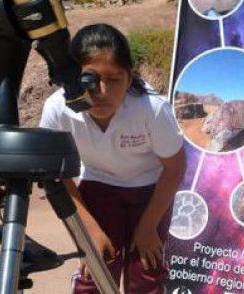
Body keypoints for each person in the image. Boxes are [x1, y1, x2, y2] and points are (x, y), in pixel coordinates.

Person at [40, 23, 186, 293]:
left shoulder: (151, 109)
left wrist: (147, 227)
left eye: (115, 80)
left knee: (147, 272)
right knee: (94, 271)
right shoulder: (58, 110)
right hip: (98, 189)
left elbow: (175, 168)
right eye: (90, 80)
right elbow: (56, 176)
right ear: (72, 78)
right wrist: (90, 231)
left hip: (150, 194)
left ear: (129, 78)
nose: (103, 92)